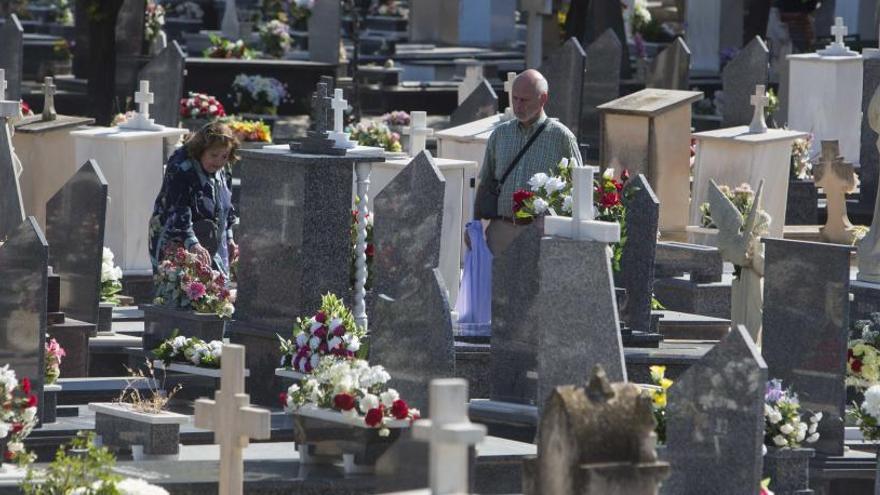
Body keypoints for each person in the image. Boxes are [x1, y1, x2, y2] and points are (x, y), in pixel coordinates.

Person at [469, 69, 583, 255]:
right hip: (501, 230)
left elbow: (578, 188)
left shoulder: (562, 137)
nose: (518, 105)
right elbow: (486, 181)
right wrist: (474, 225)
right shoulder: (500, 134)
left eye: (525, 100)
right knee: (498, 284)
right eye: (515, 98)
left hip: (540, 232)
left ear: (543, 98)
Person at [148, 121, 239, 278]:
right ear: (201, 150)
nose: (219, 161)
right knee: (181, 290)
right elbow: (177, 208)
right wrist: (193, 243)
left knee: (212, 291)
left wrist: (229, 237)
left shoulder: (224, 168)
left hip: (211, 238)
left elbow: (226, 204)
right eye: (214, 155)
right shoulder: (181, 166)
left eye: (224, 156)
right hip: (176, 237)